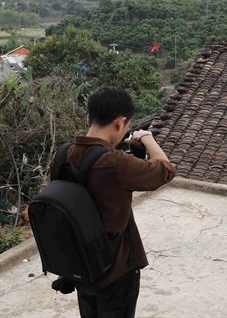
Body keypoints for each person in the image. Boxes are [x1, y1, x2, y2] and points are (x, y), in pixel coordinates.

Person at [50, 86, 176, 317]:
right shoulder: (115, 164)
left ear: (88, 118)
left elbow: (94, 186)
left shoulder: (62, 155)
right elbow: (165, 170)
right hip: (115, 271)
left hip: (81, 265)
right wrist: (147, 139)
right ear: (120, 123)